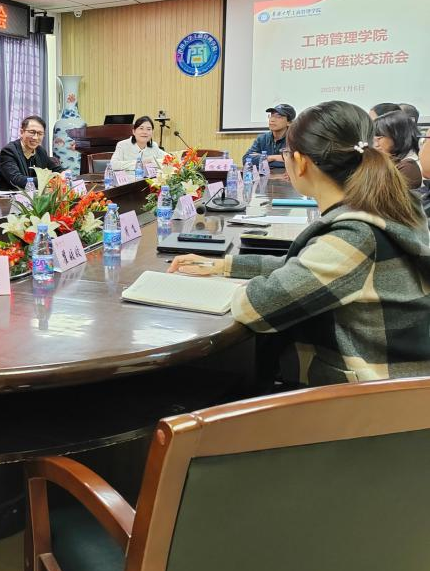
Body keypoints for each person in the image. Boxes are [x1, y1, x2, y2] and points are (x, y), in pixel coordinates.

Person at [169, 100, 430, 386]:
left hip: (371, 396)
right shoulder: (382, 207)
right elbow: (302, 267)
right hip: (394, 384)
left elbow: (255, 306)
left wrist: (208, 288)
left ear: (301, 162)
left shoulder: (355, 235)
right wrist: (222, 266)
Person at [0, 115, 63, 191]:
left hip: (32, 195)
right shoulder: (9, 151)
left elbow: (55, 168)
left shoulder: (40, 151)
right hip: (7, 196)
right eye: (32, 132)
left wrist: (64, 173)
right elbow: (17, 180)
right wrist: (49, 180)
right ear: (22, 132)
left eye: (40, 133)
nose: (35, 137)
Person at [373, 110, 422, 189]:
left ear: (397, 136)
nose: (376, 144)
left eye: (379, 138)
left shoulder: (408, 167)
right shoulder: (395, 160)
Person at [242, 103, 295, 168]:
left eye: (278, 117)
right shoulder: (262, 138)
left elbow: (296, 162)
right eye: (271, 116)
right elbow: (246, 160)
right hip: (265, 174)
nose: (272, 120)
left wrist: (262, 159)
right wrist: (271, 157)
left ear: (289, 122)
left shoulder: (295, 139)